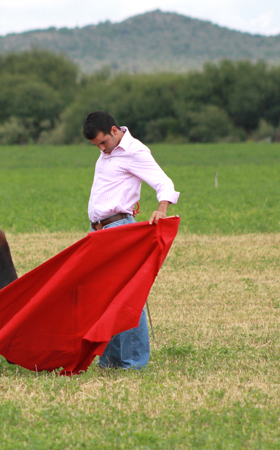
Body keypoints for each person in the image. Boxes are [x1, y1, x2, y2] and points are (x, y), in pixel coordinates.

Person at [83, 110, 180, 370]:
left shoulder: (135, 151)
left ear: (114, 131)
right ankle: (110, 361)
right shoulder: (107, 152)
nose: (101, 149)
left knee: (127, 298)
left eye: (103, 142)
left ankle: (133, 363)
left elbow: (164, 183)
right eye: (96, 146)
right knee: (105, 298)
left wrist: (162, 209)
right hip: (99, 233)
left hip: (120, 230)